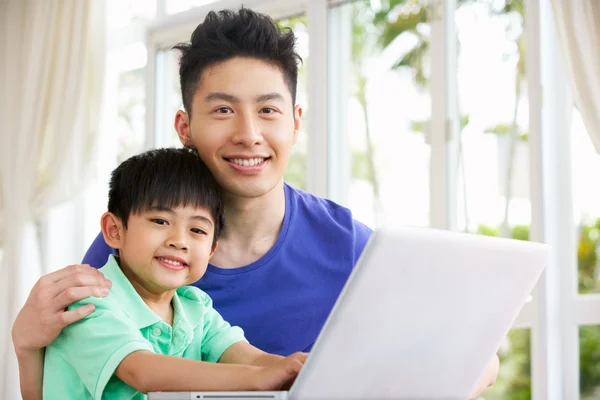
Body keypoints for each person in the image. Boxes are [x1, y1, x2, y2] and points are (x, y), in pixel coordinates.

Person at [12, 8, 499, 400]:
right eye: (223, 110)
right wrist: (24, 343)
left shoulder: (344, 241)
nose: (248, 135)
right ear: (185, 128)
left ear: (295, 121)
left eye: (268, 110)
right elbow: (70, 379)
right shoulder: (135, 245)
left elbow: (479, 353)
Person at [43, 147, 307, 399]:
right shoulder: (90, 303)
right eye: (160, 221)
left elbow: (250, 357)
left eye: (197, 230)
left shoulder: (195, 307)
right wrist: (256, 379)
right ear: (114, 230)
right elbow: (143, 371)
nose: (179, 240)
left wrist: (293, 368)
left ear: (211, 250)